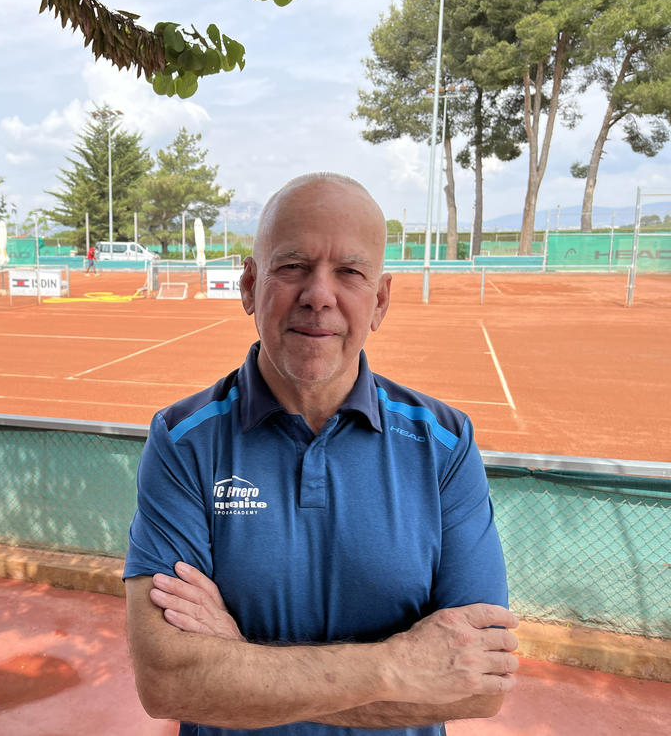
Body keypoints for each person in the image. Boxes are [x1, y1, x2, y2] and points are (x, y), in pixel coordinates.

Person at [123, 173, 516, 736]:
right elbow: (167, 683)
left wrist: (237, 665)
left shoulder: (446, 444)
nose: (319, 295)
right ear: (249, 286)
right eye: (292, 267)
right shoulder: (183, 441)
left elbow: (478, 687)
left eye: (349, 272)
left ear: (378, 301)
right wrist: (398, 666)